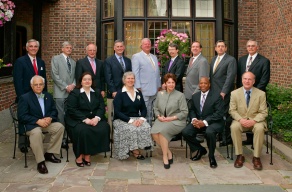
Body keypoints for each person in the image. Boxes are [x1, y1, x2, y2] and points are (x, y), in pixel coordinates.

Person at [17, 75, 64, 174]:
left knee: (59, 127)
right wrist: (37, 121)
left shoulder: (47, 96)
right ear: (31, 86)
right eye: (36, 85)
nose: (38, 86)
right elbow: (22, 116)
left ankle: (50, 153)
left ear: (43, 85)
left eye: (40, 84)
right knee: (37, 133)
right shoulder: (25, 98)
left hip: (46, 123)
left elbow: (53, 111)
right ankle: (40, 161)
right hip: (31, 125)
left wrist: (50, 118)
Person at [65, 72, 110, 167]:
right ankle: (79, 155)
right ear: (81, 81)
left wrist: (97, 118)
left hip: (94, 118)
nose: (87, 81)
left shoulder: (97, 92)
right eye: (85, 79)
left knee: (104, 127)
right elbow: (72, 109)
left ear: (92, 81)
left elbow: (101, 107)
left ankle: (88, 154)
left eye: (89, 79)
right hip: (77, 119)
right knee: (83, 130)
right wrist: (85, 120)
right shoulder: (75, 93)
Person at [13, 39, 48, 153]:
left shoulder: (41, 62)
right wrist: (22, 97)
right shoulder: (20, 61)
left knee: (36, 116)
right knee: (24, 117)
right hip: (25, 96)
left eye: (35, 46)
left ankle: (35, 140)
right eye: (31, 46)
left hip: (39, 95)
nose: (33, 48)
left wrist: (45, 96)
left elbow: (44, 80)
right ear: (27, 48)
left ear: (38, 48)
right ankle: (23, 143)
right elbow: (18, 81)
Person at [182, 77, 224, 168]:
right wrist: (194, 120)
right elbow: (192, 110)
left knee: (210, 132)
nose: (203, 85)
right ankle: (200, 149)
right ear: (199, 85)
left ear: (209, 84)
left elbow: (219, 113)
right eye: (201, 83)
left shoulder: (217, 96)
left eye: (205, 83)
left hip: (213, 122)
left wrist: (204, 122)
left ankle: (211, 156)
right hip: (198, 122)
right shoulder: (195, 96)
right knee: (186, 132)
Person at [229, 71, 268, 170]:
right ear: (242, 80)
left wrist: (254, 121)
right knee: (234, 127)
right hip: (240, 120)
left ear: (254, 81)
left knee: (259, 128)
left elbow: (264, 112)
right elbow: (232, 110)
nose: (247, 81)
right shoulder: (234, 93)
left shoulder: (261, 94)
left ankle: (256, 157)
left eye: (250, 79)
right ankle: (239, 155)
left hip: (256, 121)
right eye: (245, 79)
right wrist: (240, 120)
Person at [237, 39, 270, 145]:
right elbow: (239, 77)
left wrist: (255, 92)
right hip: (243, 92)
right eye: (248, 46)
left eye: (252, 46)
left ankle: (256, 142)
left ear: (257, 47)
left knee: (255, 114)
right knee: (245, 113)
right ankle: (249, 139)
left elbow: (265, 79)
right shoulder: (242, 60)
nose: (250, 48)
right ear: (246, 48)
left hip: (257, 93)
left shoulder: (264, 61)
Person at [151, 73, 188, 169]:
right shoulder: (160, 94)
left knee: (162, 132)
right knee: (154, 133)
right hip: (162, 119)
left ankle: (164, 157)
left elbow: (184, 112)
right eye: (169, 82)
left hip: (177, 121)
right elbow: (155, 108)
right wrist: (158, 116)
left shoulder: (180, 95)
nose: (171, 84)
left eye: (173, 82)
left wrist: (171, 118)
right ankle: (168, 152)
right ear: (165, 84)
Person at [113, 72, 153, 160]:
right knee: (131, 129)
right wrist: (131, 121)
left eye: (132, 78)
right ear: (124, 80)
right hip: (121, 119)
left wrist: (141, 119)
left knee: (146, 127)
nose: (130, 80)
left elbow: (143, 108)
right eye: (128, 78)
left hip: (136, 118)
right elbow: (117, 112)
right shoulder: (120, 94)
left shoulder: (138, 92)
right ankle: (134, 150)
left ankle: (140, 147)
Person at [209, 40, 237, 146]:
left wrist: (224, 91)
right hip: (214, 92)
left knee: (225, 115)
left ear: (226, 48)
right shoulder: (213, 59)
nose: (220, 48)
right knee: (217, 114)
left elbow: (230, 77)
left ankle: (226, 139)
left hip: (224, 93)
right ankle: (219, 135)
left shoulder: (231, 60)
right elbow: (212, 77)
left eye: (222, 46)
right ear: (215, 48)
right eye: (218, 46)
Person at [51, 41, 76, 147]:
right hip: (60, 93)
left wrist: (73, 85)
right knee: (60, 117)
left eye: (70, 48)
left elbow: (74, 76)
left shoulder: (73, 62)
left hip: (70, 93)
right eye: (67, 47)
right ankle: (61, 140)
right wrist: (66, 86)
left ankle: (67, 137)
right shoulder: (55, 59)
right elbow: (54, 75)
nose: (69, 49)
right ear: (62, 49)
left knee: (68, 116)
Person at [132, 38, 161, 125]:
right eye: (145, 44)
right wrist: (137, 86)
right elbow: (135, 73)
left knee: (152, 110)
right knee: (144, 110)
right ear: (141, 46)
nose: (147, 45)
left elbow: (156, 72)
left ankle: (150, 129)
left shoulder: (154, 57)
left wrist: (158, 85)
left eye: (149, 44)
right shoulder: (136, 56)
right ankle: (144, 129)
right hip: (143, 89)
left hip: (155, 89)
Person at [104, 40, 132, 131]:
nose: (119, 48)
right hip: (114, 93)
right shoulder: (109, 61)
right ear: (114, 48)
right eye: (117, 46)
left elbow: (129, 76)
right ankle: (112, 137)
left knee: (124, 114)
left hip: (125, 92)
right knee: (112, 116)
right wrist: (113, 91)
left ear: (124, 48)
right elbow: (108, 77)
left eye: (121, 46)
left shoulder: (128, 61)